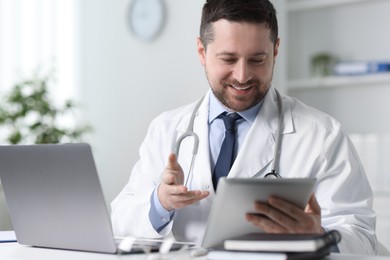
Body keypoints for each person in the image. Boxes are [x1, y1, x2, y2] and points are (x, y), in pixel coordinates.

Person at [111, 0, 377, 255]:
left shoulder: (323, 135)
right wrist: (161, 202)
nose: (242, 76)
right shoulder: (167, 128)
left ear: (275, 51)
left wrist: (319, 237)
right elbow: (120, 222)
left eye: (257, 60)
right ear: (202, 52)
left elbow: (363, 238)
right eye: (228, 59)